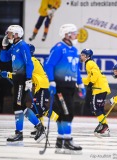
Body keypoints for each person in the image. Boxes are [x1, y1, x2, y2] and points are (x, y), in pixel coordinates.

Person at [0, 25, 45, 145]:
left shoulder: (23, 45)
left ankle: (20, 133)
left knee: (18, 106)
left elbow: (29, 63)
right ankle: (39, 127)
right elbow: (4, 59)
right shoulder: (14, 46)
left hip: (22, 79)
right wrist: (4, 47)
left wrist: (29, 79)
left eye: (10, 33)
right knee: (21, 107)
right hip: (17, 79)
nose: (7, 35)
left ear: (16, 34)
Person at [44, 23, 85, 154]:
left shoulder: (74, 49)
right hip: (60, 86)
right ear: (67, 34)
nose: (76, 35)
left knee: (63, 113)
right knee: (68, 112)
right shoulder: (58, 48)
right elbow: (49, 65)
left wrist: (81, 84)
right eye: (74, 32)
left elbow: (76, 69)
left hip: (70, 86)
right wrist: (51, 82)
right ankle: (67, 141)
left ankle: (60, 142)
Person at [80, 49, 111, 137]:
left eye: (82, 55)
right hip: (101, 88)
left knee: (95, 108)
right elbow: (90, 78)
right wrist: (79, 80)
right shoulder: (91, 63)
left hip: (99, 89)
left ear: (87, 56)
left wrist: (91, 83)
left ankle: (104, 126)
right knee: (99, 108)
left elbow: (95, 74)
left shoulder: (89, 63)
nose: (81, 56)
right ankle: (105, 128)